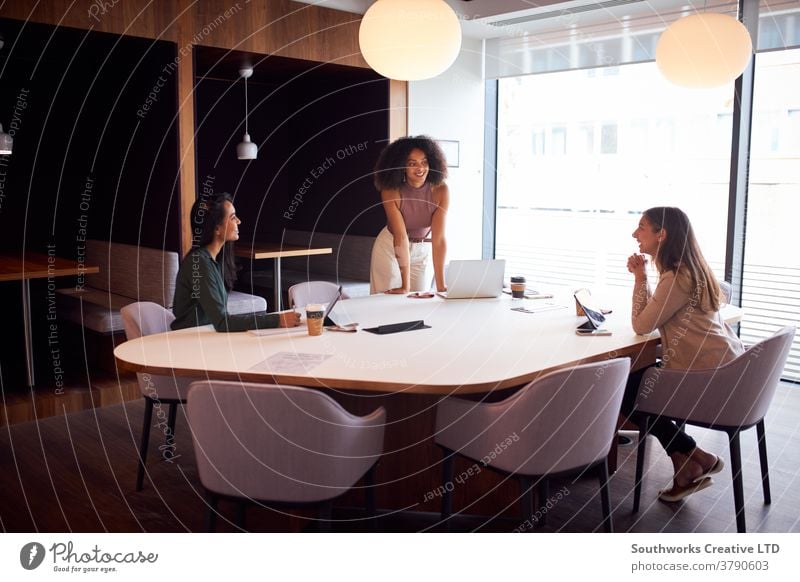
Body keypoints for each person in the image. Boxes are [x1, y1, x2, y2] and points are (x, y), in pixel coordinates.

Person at [623, 206, 744, 502]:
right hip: (728, 368)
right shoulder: (690, 268)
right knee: (632, 384)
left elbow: (641, 325)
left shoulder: (676, 276)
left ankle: (690, 456)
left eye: (642, 227)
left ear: (661, 235)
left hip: (708, 378)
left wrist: (640, 279)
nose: (634, 234)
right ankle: (692, 458)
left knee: (623, 391)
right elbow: (655, 318)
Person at [171, 193, 301, 332]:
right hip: (188, 341)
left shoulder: (210, 260)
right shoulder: (199, 264)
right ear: (217, 229)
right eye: (233, 217)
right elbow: (222, 322)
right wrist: (278, 320)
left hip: (205, 336)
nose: (238, 221)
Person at [369, 136, 449, 294]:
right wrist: (405, 286)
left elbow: (438, 239)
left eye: (424, 162)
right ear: (401, 166)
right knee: (386, 302)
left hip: (422, 250)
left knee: (418, 303)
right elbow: (401, 237)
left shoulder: (441, 190)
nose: (420, 168)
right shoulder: (391, 190)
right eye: (412, 163)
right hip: (390, 248)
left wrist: (441, 285)